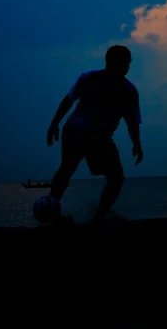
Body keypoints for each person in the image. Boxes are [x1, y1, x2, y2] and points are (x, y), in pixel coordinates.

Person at [46, 45, 143, 223]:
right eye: (127, 63)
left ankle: (98, 215)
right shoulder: (92, 79)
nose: (128, 67)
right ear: (118, 64)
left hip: (92, 136)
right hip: (80, 132)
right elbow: (68, 100)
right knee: (71, 169)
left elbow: (132, 122)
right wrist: (54, 124)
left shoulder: (127, 90)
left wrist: (137, 144)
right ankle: (58, 208)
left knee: (109, 177)